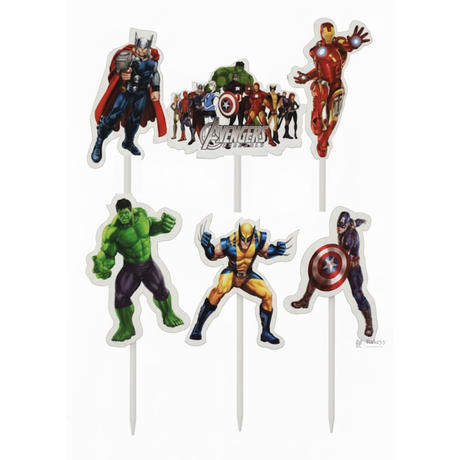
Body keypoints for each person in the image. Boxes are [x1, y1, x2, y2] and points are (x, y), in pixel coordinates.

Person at [92, 199, 184, 342]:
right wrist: (101, 264)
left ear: (131, 210)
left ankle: (168, 314)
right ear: (117, 213)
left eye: (126, 213)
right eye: (121, 214)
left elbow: (151, 226)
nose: (124, 217)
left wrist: (163, 225)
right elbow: (107, 253)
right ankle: (126, 327)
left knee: (161, 290)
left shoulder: (141, 215)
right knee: (120, 297)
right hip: (131, 269)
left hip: (148, 265)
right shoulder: (113, 231)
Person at [190, 222, 287, 345]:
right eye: (243, 239)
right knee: (219, 290)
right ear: (239, 234)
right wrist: (206, 246)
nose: (245, 243)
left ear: (252, 235)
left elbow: (266, 253)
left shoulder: (258, 239)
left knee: (268, 295)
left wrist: (277, 250)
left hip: (247, 276)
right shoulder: (229, 242)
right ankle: (198, 327)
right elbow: (213, 255)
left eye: (248, 240)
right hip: (232, 273)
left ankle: (266, 332)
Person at [291, 211, 374, 337]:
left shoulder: (350, 236)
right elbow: (354, 222)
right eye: (338, 225)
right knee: (316, 274)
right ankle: (305, 301)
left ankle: (369, 323)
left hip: (352, 269)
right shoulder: (350, 224)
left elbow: (343, 254)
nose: (339, 229)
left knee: (357, 294)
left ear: (347, 226)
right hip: (341, 263)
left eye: (342, 226)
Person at [294, 22, 369, 157]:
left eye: (331, 35)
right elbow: (320, 70)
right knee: (317, 125)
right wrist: (307, 77)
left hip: (336, 85)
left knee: (333, 117)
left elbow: (348, 45)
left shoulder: (338, 43)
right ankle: (317, 124)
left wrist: (354, 42)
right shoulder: (316, 50)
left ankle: (323, 143)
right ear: (322, 34)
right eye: (327, 35)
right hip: (323, 84)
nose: (329, 38)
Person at [91, 33, 166, 163]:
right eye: (140, 48)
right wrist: (122, 73)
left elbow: (155, 74)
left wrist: (156, 89)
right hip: (128, 91)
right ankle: (99, 141)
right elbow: (119, 67)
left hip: (142, 93)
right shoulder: (129, 56)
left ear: (148, 48)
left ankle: (128, 142)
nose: (142, 51)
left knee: (135, 119)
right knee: (114, 115)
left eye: (145, 48)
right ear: (137, 46)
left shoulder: (152, 61)